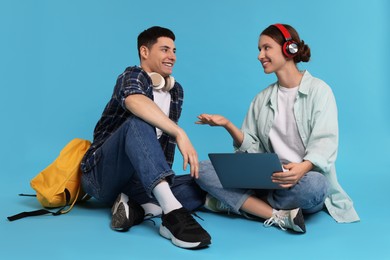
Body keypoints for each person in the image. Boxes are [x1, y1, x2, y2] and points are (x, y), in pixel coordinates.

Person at [195, 23, 360, 233]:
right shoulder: (261, 99)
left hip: (302, 179)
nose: (260, 55)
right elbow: (251, 149)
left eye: (266, 48)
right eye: (259, 50)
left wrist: (303, 168)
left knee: (317, 186)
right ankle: (275, 214)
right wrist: (228, 125)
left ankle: (241, 203)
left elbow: (325, 142)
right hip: (266, 177)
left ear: (288, 49)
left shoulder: (320, 91)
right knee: (201, 168)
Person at [80, 26, 211, 249]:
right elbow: (133, 101)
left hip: (137, 181)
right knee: (138, 122)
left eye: (174, 50)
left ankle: (138, 208)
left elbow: (156, 151)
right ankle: (171, 214)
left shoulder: (175, 91)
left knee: (202, 181)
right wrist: (179, 132)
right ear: (144, 51)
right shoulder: (132, 75)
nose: (172, 56)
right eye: (165, 49)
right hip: (101, 177)